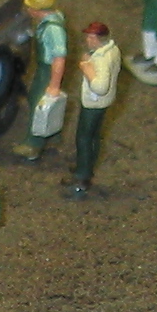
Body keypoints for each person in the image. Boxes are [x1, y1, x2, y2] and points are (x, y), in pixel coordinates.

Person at [10, 0, 68, 164]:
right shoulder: (52, 18)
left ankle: (32, 146)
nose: (28, 10)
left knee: (40, 105)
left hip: (48, 70)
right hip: (44, 68)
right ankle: (53, 136)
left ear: (37, 10)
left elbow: (59, 58)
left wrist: (54, 85)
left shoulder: (53, 29)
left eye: (30, 7)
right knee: (37, 99)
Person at [69, 21, 122, 197]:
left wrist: (87, 67)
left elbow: (100, 86)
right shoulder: (112, 50)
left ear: (96, 39)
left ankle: (82, 176)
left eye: (90, 37)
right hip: (104, 102)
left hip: (93, 102)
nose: (87, 40)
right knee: (94, 136)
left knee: (83, 138)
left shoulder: (101, 59)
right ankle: (86, 166)